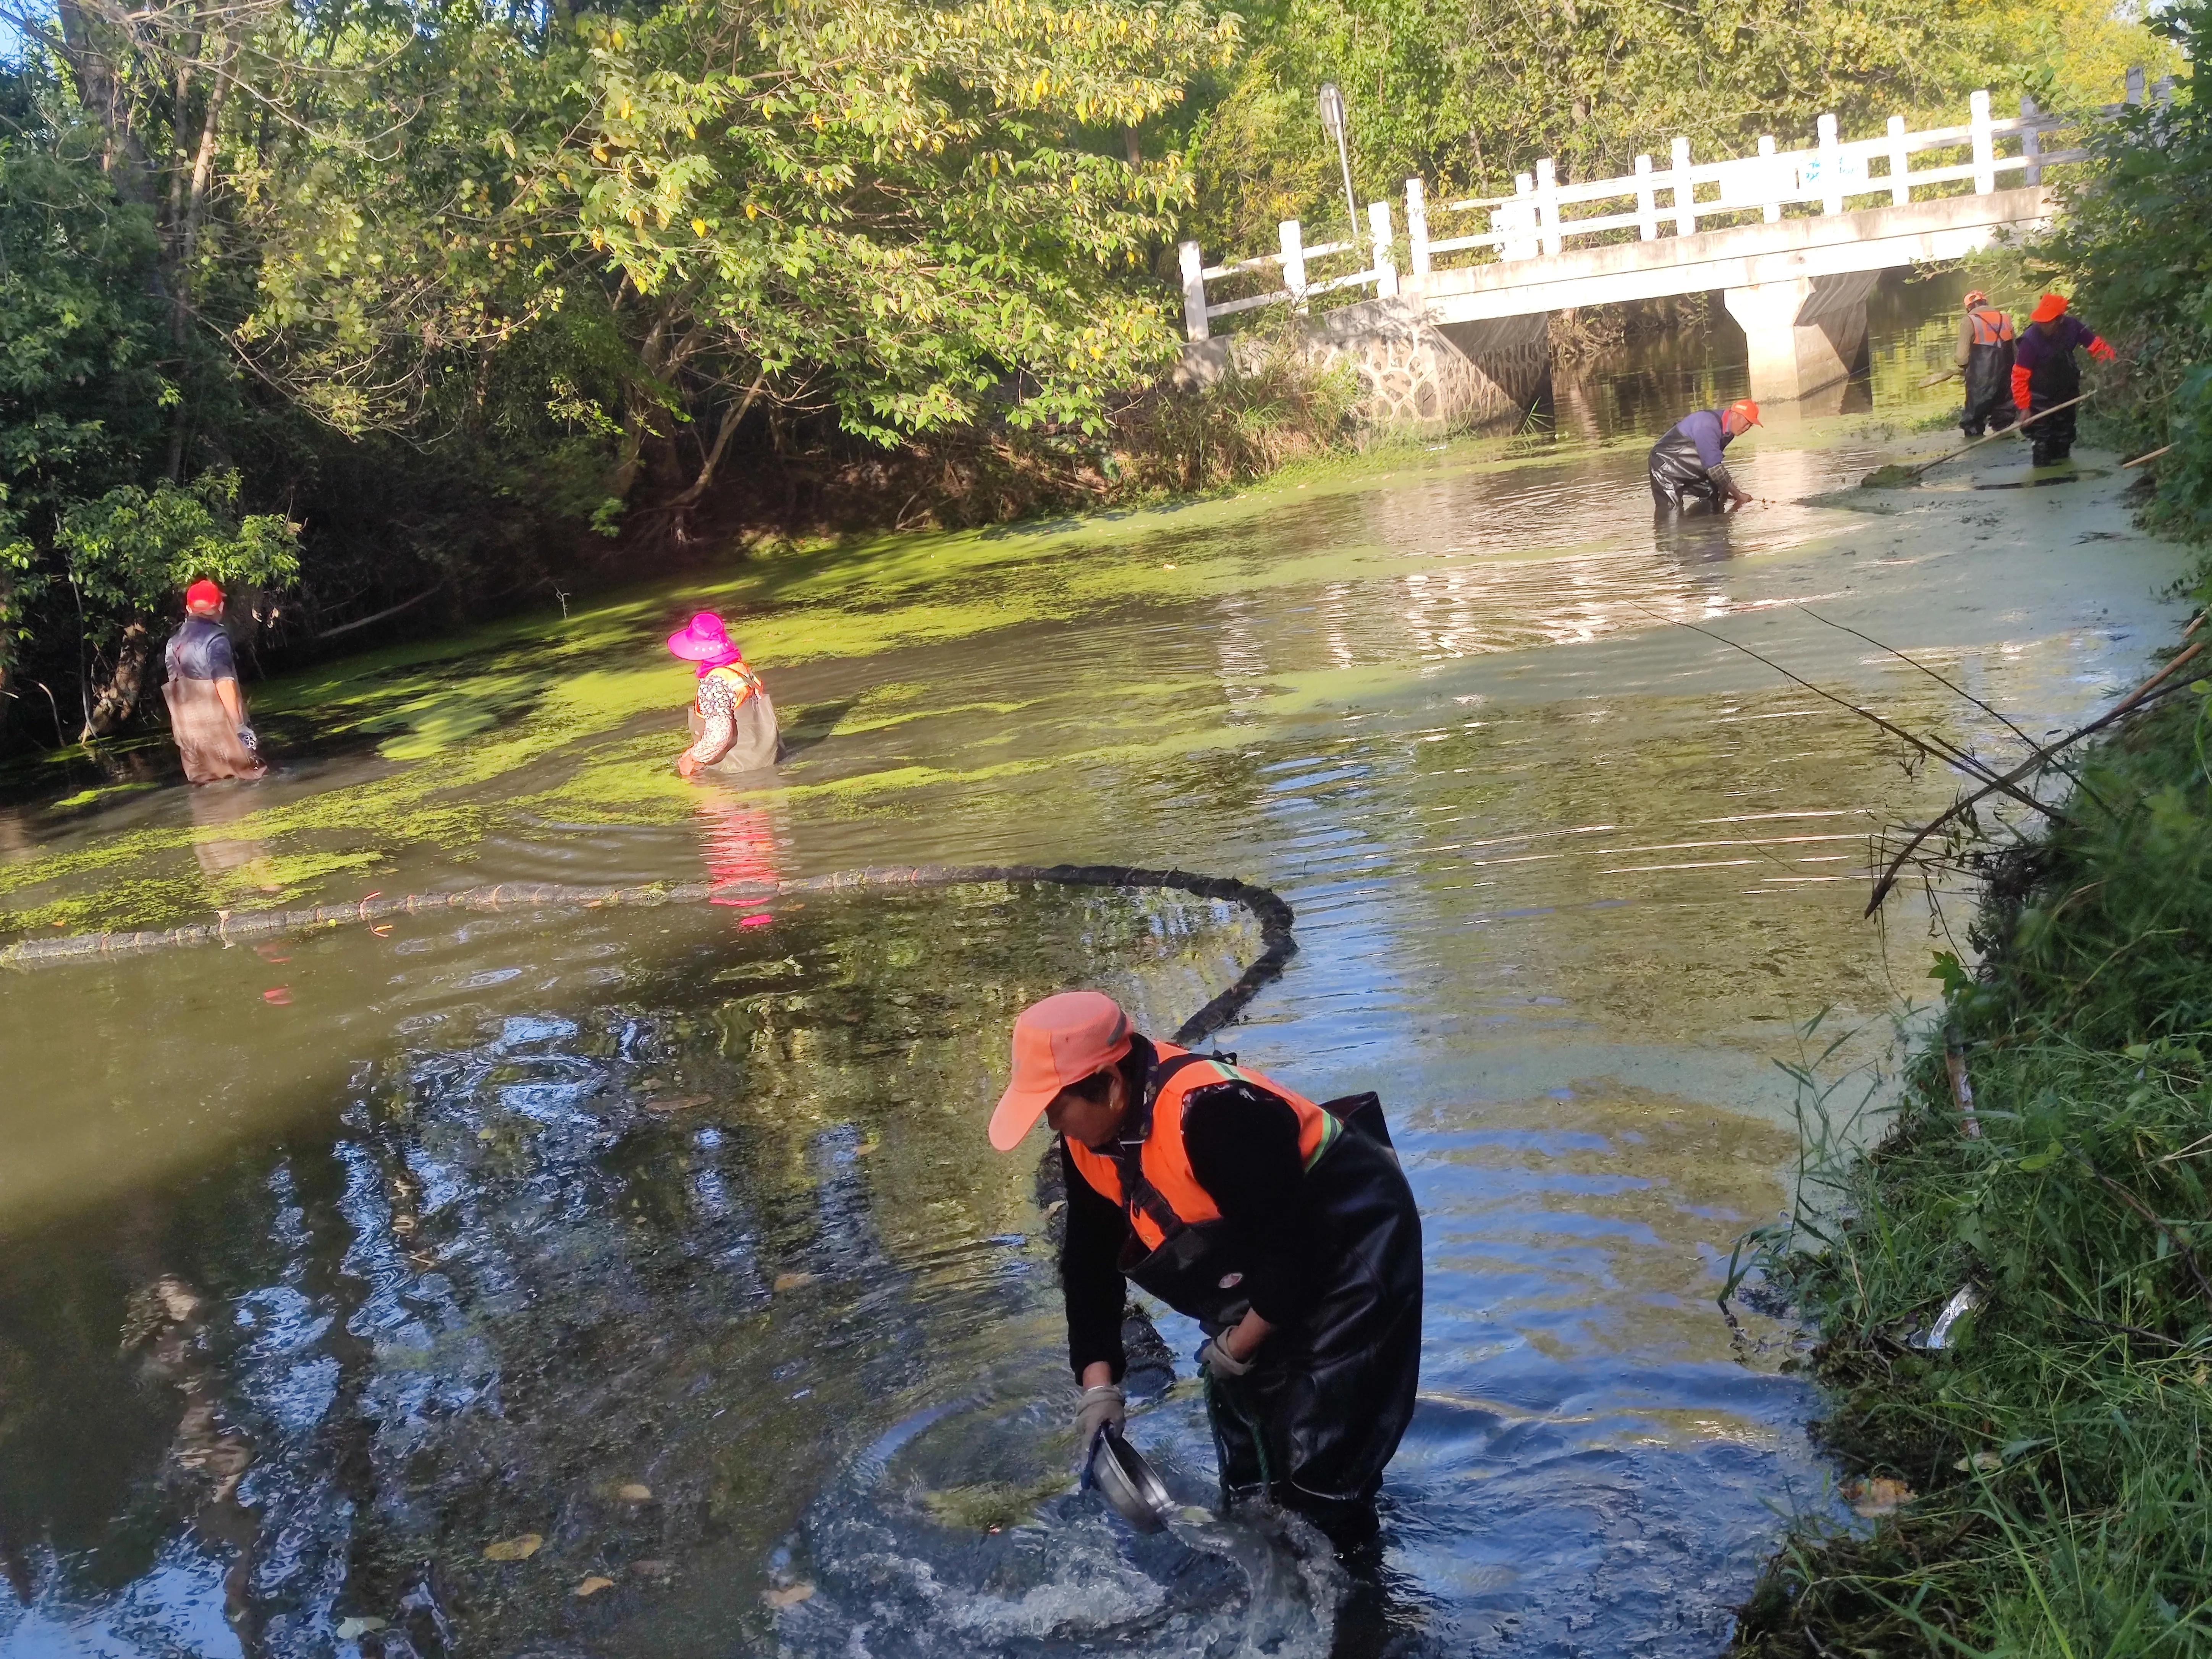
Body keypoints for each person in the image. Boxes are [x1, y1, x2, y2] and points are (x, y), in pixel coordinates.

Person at [990, 991, 1423, 1544]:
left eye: (1055, 1105)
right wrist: (1099, 1389)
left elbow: (1295, 1254)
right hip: (1267, 1263)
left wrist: (1238, 1345)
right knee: (1252, 1475)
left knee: (1319, 1476)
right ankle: (1265, 1560)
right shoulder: (1086, 1141)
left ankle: (1353, 1581)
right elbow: (1089, 1265)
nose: (1051, 1122)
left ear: (1110, 1084)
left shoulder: (1216, 1114)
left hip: (1351, 1244)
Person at [162, 579, 265, 784]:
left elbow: (175, 689)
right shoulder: (216, 638)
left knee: (206, 788)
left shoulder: (172, 644)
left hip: (190, 740)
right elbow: (224, 682)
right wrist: (240, 727)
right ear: (220, 607)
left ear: (189, 609)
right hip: (223, 732)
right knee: (252, 779)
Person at [667, 611, 781, 777]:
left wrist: (692, 759)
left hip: (738, 774)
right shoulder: (740, 670)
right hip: (769, 759)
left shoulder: (714, 683)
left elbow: (719, 736)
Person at [2012, 293, 2117, 467]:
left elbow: (2097, 346)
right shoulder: (2030, 340)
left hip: (2066, 393)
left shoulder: (2073, 327)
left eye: (2048, 322)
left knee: (2064, 438)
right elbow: (2019, 376)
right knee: (2043, 443)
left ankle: (2065, 475)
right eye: (2041, 321)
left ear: (2059, 320)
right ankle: (2042, 477)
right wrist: (2024, 407)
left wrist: (2113, 366)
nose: (2043, 325)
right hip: (2038, 398)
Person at [1648, 399, 1760, 511]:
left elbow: (1713, 459)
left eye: (1751, 425)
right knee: (1671, 510)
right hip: (1665, 466)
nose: (1747, 428)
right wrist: (1739, 495)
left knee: (1712, 493)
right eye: (1747, 423)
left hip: (1688, 467)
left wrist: (1725, 490)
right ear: (1735, 415)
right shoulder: (1708, 425)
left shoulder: (1729, 431)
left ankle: (1701, 522)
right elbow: (1714, 468)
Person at [1956, 291, 2017, 439]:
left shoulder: (1969, 321)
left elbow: (1962, 358)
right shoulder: (2006, 318)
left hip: (1981, 381)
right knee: (2004, 420)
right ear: (1986, 303)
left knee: (1974, 423)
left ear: (1968, 307)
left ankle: (1975, 438)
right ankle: (2005, 436)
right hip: (2006, 379)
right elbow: (2016, 352)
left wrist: (1961, 366)